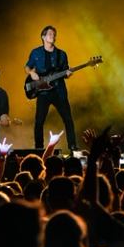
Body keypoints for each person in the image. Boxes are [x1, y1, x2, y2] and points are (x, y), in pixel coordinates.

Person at [25, 26, 74, 154]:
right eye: (50, 34)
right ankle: (39, 148)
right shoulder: (36, 53)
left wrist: (68, 74)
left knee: (68, 119)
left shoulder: (61, 54)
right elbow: (27, 66)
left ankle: (73, 146)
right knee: (39, 121)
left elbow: (65, 71)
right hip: (43, 92)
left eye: (54, 34)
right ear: (43, 37)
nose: (53, 36)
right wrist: (31, 73)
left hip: (59, 92)